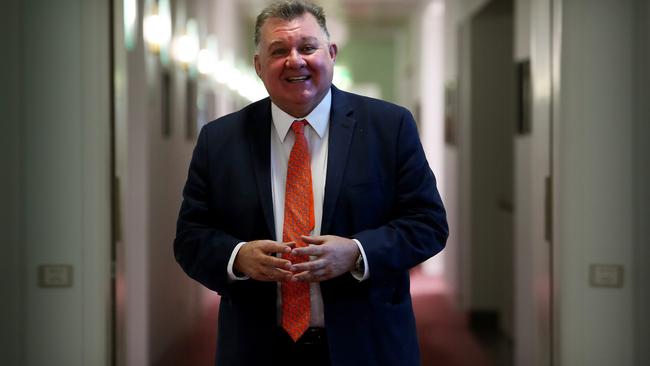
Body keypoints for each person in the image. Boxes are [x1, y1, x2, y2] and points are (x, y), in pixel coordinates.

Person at [173, 1, 448, 365]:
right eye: (278, 51)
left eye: (307, 47)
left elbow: (428, 225)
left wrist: (356, 251)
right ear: (258, 66)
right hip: (257, 347)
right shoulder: (219, 140)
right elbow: (190, 238)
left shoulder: (389, 127)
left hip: (367, 342)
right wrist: (238, 257)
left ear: (331, 54)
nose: (295, 60)